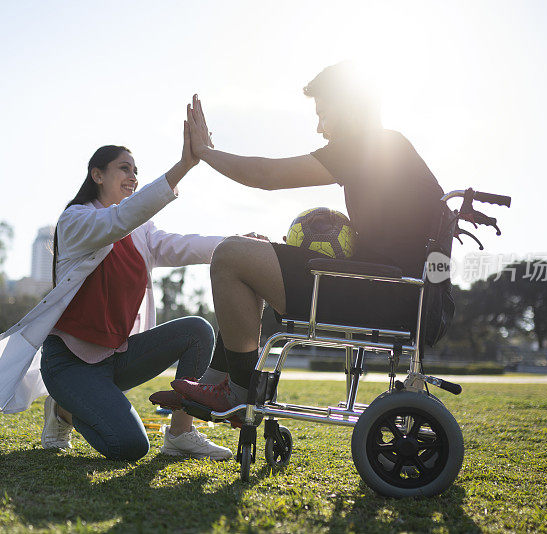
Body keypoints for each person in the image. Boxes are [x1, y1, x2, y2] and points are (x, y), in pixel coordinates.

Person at [155, 62, 446, 417]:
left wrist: (205, 152)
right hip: (388, 292)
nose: (320, 127)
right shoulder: (386, 147)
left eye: (323, 113)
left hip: (378, 294)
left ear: (350, 105)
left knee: (231, 254)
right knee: (250, 251)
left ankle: (239, 393)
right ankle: (213, 383)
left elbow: (266, 175)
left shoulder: (369, 146)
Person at [0, 117, 232, 461]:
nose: (133, 177)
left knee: (197, 331)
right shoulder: (77, 220)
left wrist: (236, 245)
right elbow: (119, 220)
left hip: (117, 357)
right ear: (97, 175)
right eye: (123, 168)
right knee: (130, 447)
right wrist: (184, 166)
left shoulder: (141, 231)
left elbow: (185, 244)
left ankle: (181, 433)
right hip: (70, 365)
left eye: (136, 170)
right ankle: (63, 411)